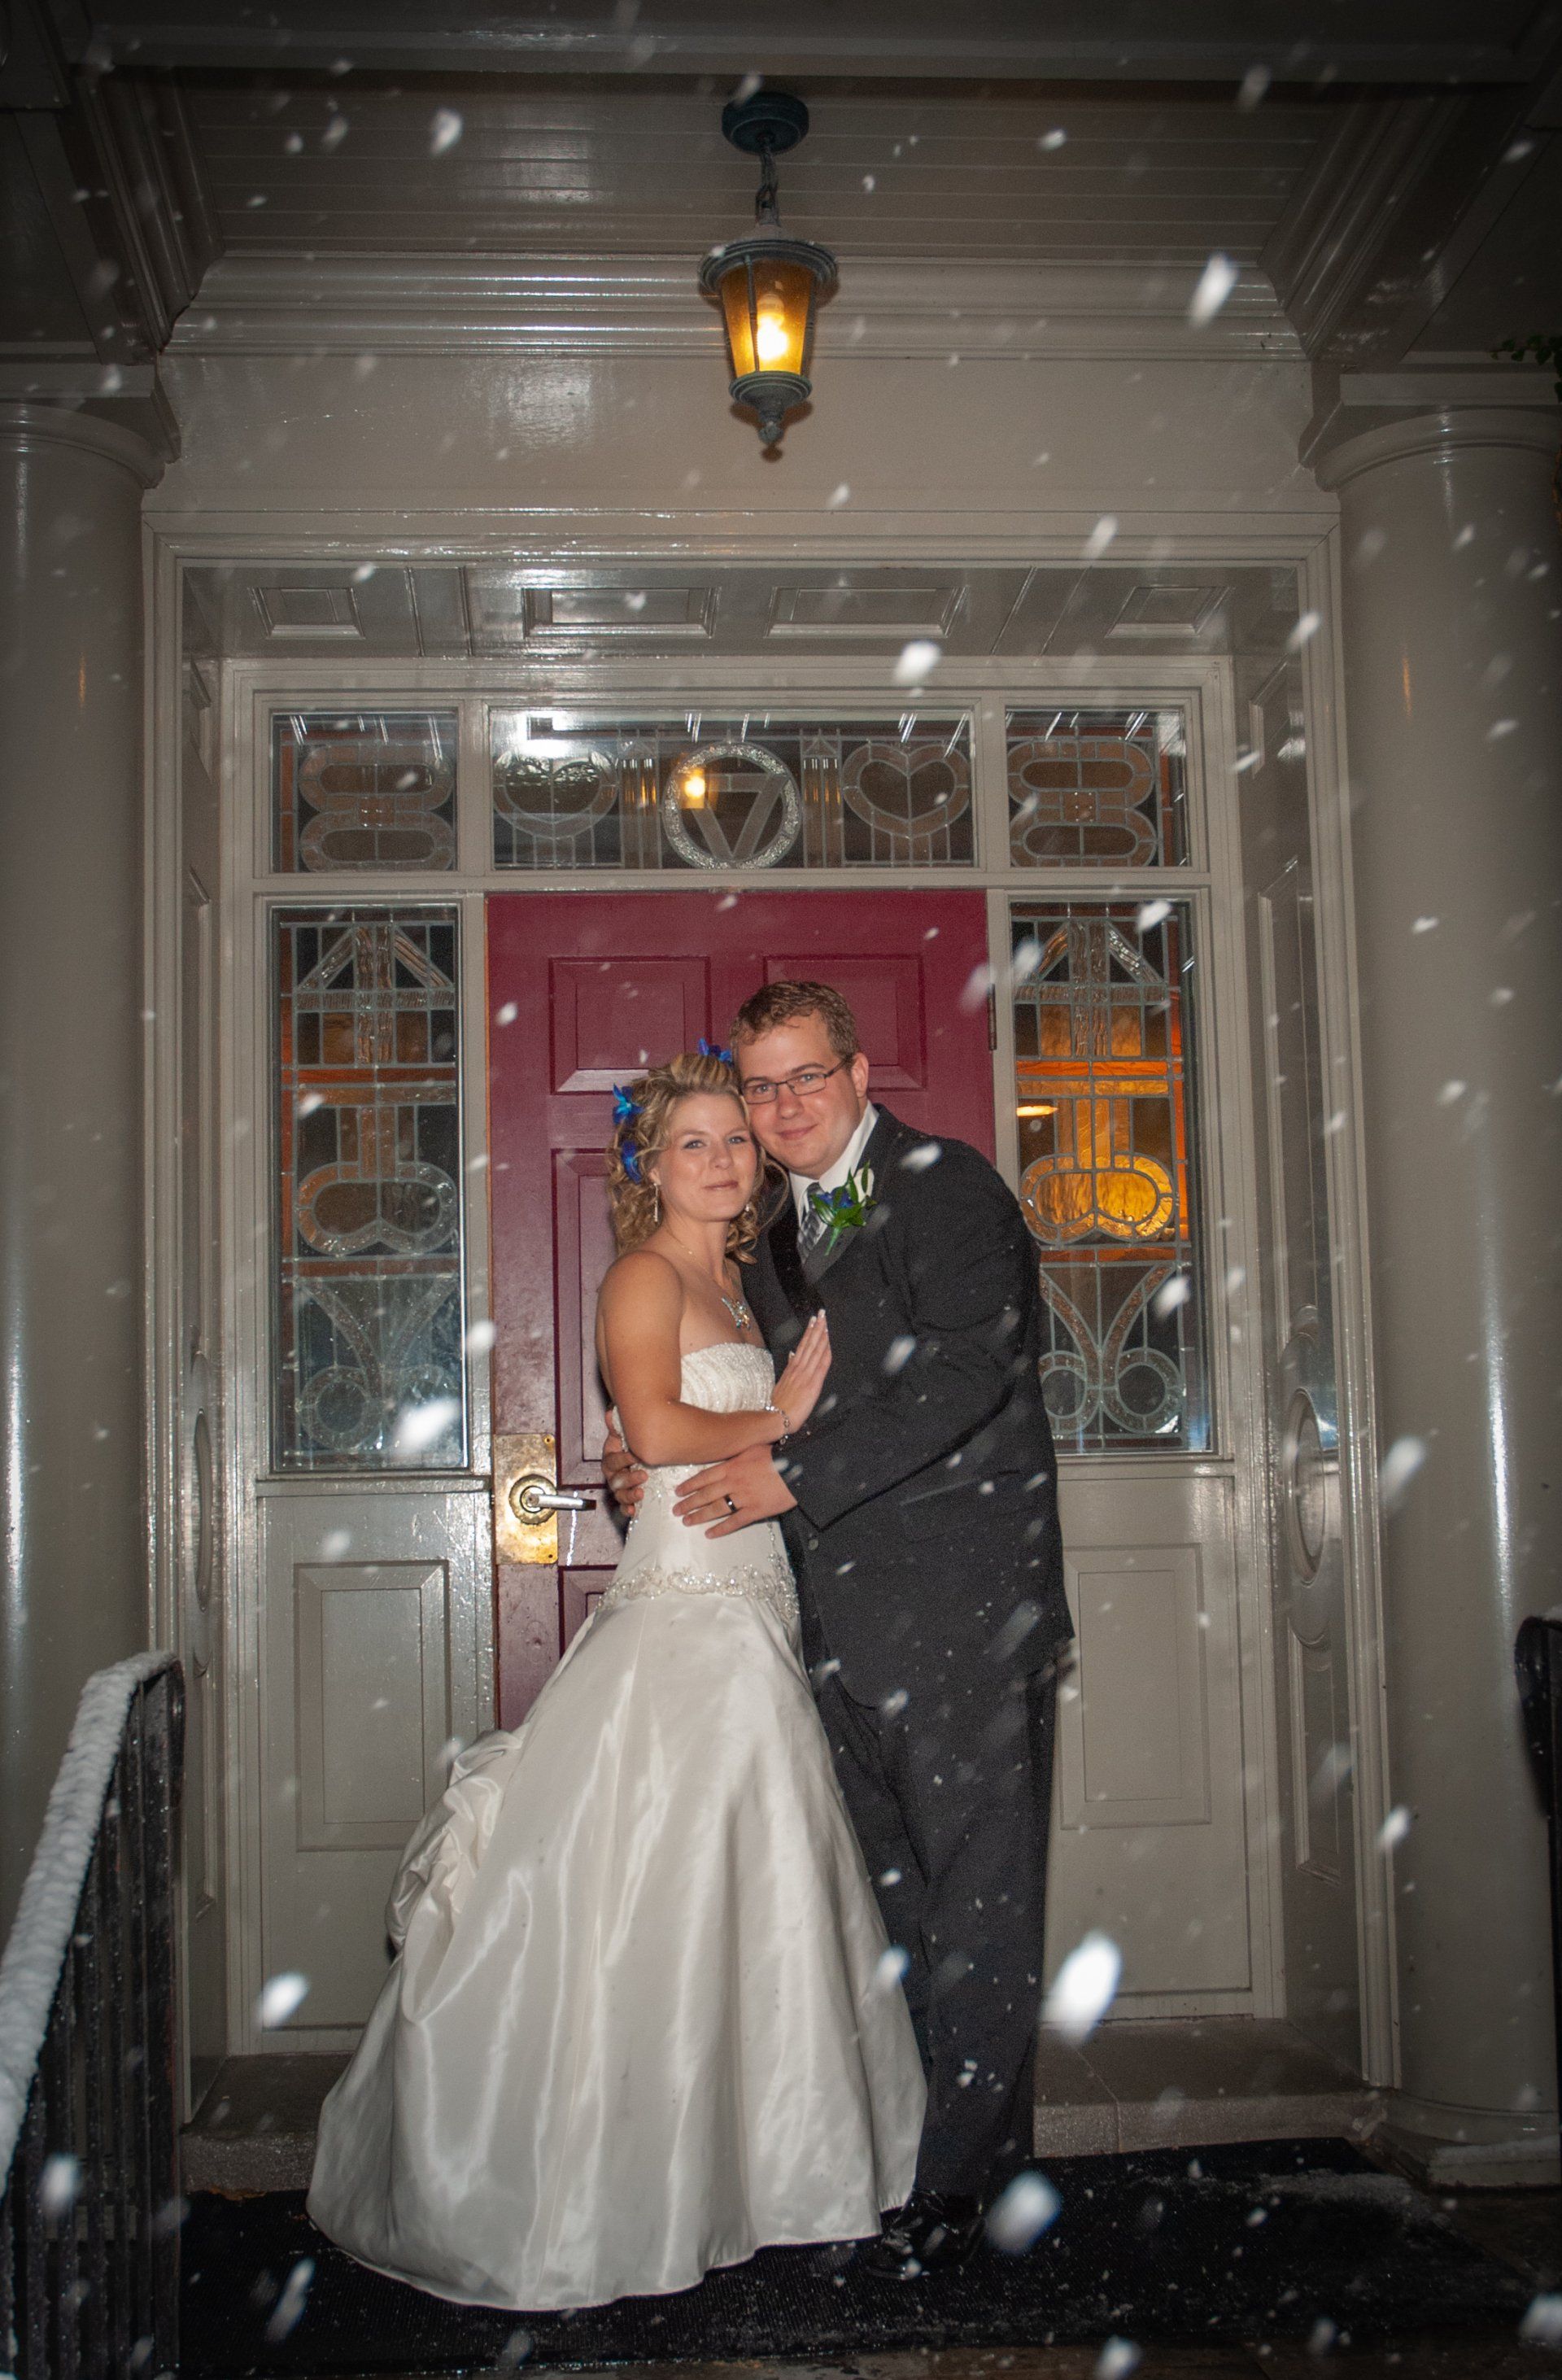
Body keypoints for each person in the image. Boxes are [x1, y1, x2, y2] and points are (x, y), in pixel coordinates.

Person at [308, 1049, 925, 2311]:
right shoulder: (643, 1275)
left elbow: (678, 1443)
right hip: (685, 1615)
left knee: (750, 1894)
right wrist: (781, 1420)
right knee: (657, 1888)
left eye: (736, 1140)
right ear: (650, 1164)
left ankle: (750, 2171)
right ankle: (609, 2181)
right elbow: (654, 1430)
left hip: (756, 1601)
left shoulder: (746, 1281)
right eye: (695, 1140)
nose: (723, 1159)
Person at [605, 982, 1070, 2276]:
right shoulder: (764, 1233)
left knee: (978, 1907)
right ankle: (918, 2148)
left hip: (964, 1611)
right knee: (895, 1907)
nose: (784, 1104)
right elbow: (748, 1394)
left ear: (861, 1073)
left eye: (807, 1074)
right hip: (824, 1620)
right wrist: (657, 1453)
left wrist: (789, 1473)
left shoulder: (946, 1186)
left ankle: (967, 2187)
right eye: (761, 1085)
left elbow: (972, 1370)